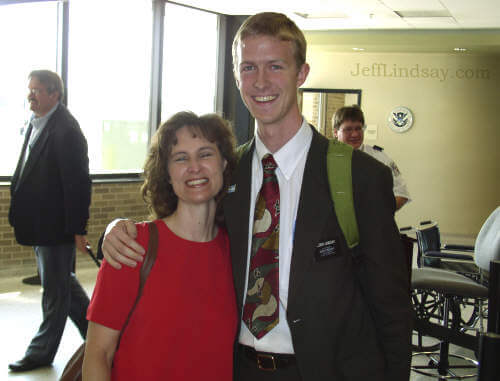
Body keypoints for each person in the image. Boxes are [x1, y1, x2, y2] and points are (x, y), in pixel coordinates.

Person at [101, 13, 412, 381]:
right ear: (236, 76)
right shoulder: (225, 174)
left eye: (275, 66)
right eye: (249, 68)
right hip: (240, 370)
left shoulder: (359, 177)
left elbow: (391, 307)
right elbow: (181, 226)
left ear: (301, 73)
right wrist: (117, 228)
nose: (261, 81)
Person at [82, 112, 238, 381]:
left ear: (223, 163)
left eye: (205, 154)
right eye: (180, 158)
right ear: (166, 172)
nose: (194, 167)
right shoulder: (132, 246)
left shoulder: (236, 251)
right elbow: (98, 355)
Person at [8, 70, 91, 372]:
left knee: (54, 295)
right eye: (30, 90)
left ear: (55, 94)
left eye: (38, 90)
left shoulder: (66, 131)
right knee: (62, 287)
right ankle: (98, 335)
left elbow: (78, 184)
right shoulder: (37, 124)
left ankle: (40, 353)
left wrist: (78, 229)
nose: (31, 95)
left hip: (57, 228)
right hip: (40, 226)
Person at [332, 105, 411, 210]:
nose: (355, 134)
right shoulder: (326, 160)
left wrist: (380, 215)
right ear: (336, 132)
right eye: (348, 129)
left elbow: (401, 194)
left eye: (359, 128)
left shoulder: (380, 158)